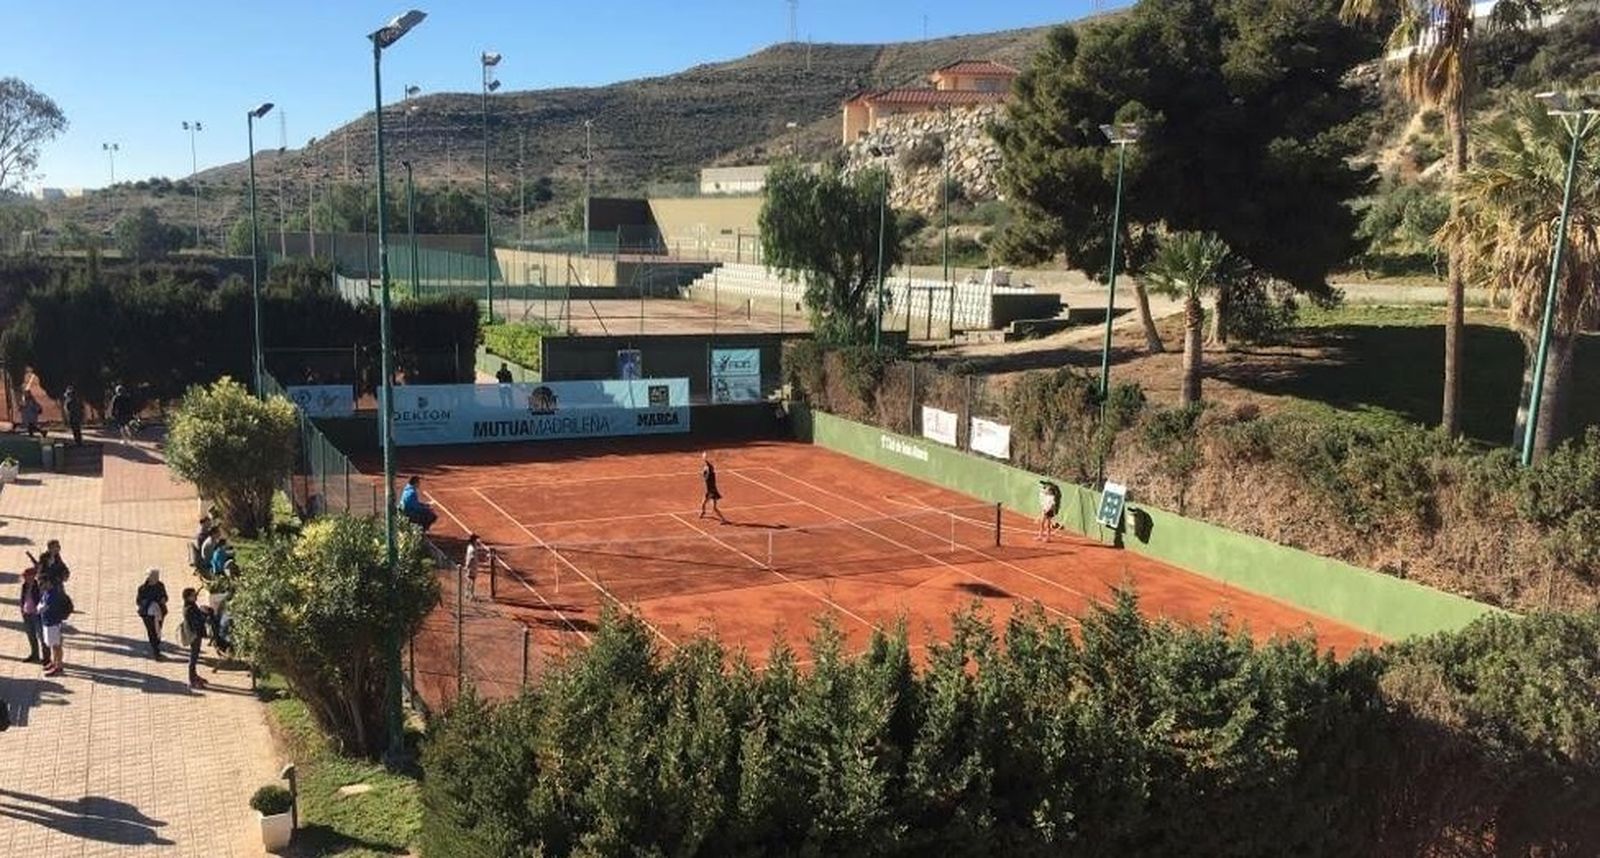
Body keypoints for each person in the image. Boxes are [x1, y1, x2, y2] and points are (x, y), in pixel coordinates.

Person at [38, 575, 70, 677]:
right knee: (53, 644)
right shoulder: (47, 592)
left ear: (48, 582)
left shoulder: (53, 595)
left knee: (57, 646)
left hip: (53, 623)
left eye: (42, 583)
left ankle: (59, 666)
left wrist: (40, 608)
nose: (40, 586)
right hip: (48, 622)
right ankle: (54, 662)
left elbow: (45, 607)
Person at [136, 568, 169, 660]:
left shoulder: (160, 585)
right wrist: (149, 603)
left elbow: (165, 596)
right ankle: (155, 650)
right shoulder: (142, 588)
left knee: (158, 628)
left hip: (159, 612)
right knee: (151, 631)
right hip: (147, 614)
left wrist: (163, 599)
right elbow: (138, 601)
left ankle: (156, 644)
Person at [180, 588, 208, 689]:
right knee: (193, 657)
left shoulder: (190, 605)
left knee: (195, 656)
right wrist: (204, 614)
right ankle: (192, 680)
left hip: (195, 635)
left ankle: (194, 676)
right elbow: (197, 623)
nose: (195, 596)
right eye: (193, 595)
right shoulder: (189, 609)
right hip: (194, 636)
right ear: (188, 597)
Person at [19, 564, 43, 663]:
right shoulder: (24, 586)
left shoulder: (38, 586)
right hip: (27, 613)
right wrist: (22, 610)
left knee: (41, 636)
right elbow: (22, 598)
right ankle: (34, 655)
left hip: (36, 614)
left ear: (33, 576)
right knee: (31, 635)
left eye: (27, 576)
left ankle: (46, 658)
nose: (25, 578)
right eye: (24, 576)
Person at [699, 453, 726, 523]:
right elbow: (707, 468)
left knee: (713, 508)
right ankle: (703, 512)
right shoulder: (708, 475)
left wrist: (705, 459)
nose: (704, 470)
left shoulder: (709, 475)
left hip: (711, 492)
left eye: (705, 470)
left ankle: (723, 520)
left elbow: (709, 467)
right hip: (710, 491)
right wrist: (705, 460)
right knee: (703, 503)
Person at [463, 533, 486, 600]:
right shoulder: (472, 549)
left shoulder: (470, 546)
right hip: (472, 567)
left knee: (469, 580)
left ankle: (467, 594)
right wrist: (467, 566)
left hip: (472, 566)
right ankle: (470, 595)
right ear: (473, 540)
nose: (477, 540)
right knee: (472, 581)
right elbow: (471, 559)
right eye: (476, 539)